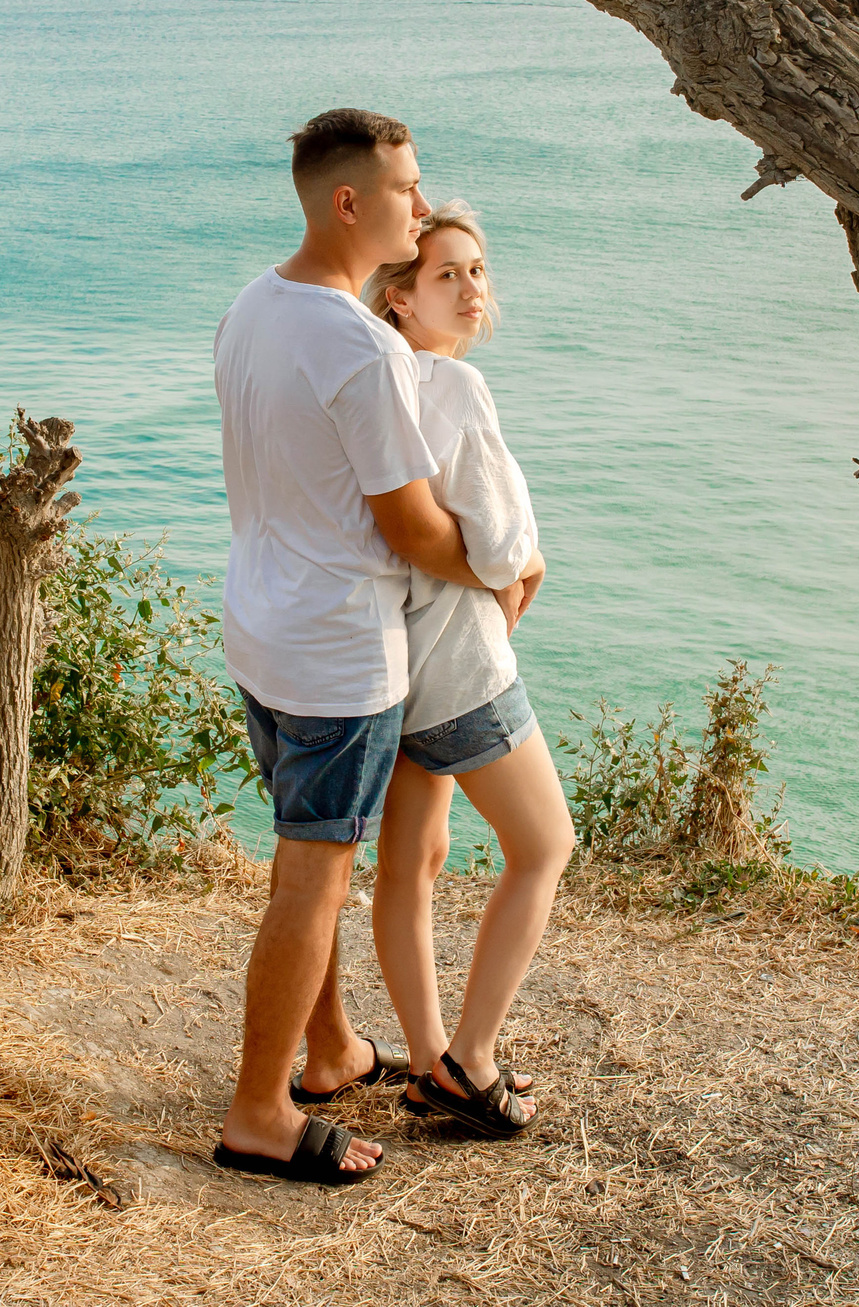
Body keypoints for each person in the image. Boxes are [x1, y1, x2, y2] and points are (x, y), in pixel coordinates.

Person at [209, 108, 524, 1186]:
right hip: (337, 651)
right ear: (349, 203)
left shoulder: (256, 304)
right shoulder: (356, 347)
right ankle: (259, 1112)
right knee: (313, 877)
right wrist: (502, 569)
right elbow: (412, 528)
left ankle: (331, 1049)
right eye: (406, 191)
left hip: (259, 623)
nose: (422, 206)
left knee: (315, 858)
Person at [361, 202, 572, 1140]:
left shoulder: (374, 381)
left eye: (477, 270)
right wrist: (529, 564)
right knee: (543, 845)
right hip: (461, 666)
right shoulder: (456, 388)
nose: (471, 287)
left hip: (388, 666)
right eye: (446, 273)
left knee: (412, 863)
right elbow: (499, 545)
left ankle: (427, 1059)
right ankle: (470, 1057)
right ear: (400, 297)